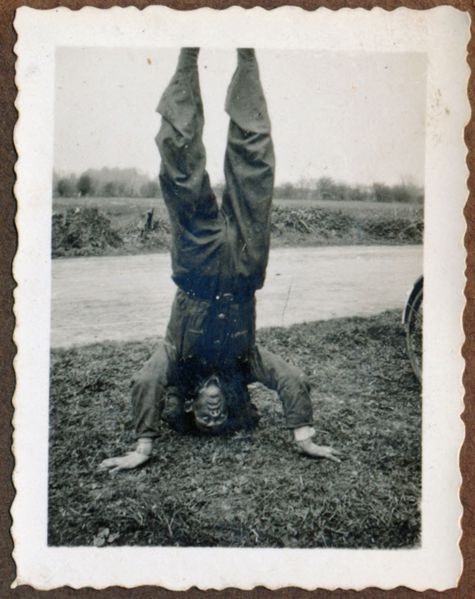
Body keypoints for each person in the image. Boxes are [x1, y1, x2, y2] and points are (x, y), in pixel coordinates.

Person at [100, 48, 340, 472]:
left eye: (203, 418)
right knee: (256, 165)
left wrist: (142, 448)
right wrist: (304, 436)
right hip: (248, 263)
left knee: (179, 166)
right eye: (221, 417)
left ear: (191, 404)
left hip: (197, 262)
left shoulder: (176, 359)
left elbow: (145, 381)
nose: (213, 414)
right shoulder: (245, 361)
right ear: (232, 403)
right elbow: (291, 379)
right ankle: (247, 59)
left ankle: (187, 59)